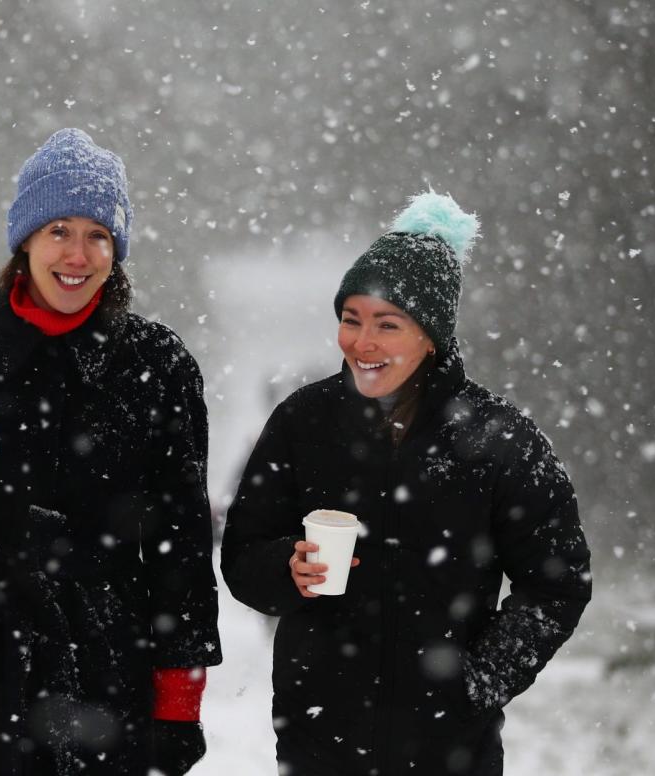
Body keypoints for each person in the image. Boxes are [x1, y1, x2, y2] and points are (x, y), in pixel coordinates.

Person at [0, 128, 222, 775]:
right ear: (24, 238)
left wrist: (179, 703)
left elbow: (183, 545)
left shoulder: (160, 364)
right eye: (59, 229)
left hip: (114, 654)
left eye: (97, 235)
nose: (77, 254)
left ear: (117, 251)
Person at [221, 193, 592, 776]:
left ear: (431, 337)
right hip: (319, 745)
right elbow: (242, 556)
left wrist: (477, 683)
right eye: (351, 320)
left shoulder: (502, 440)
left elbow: (559, 585)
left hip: (450, 754)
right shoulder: (302, 421)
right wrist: (285, 571)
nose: (361, 343)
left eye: (387, 325)